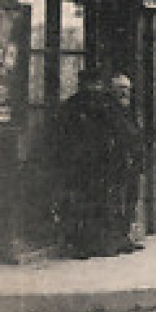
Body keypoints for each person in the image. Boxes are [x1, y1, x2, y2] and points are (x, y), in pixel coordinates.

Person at [52, 69, 111, 258]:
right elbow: (64, 137)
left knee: (97, 203)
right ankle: (79, 244)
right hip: (78, 164)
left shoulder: (102, 106)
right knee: (79, 205)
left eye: (97, 85)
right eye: (91, 84)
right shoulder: (72, 107)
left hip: (98, 163)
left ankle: (95, 242)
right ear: (82, 85)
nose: (95, 88)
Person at [103, 74, 145, 253]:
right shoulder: (108, 110)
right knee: (115, 201)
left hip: (131, 163)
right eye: (120, 88)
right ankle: (114, 239)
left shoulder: (129, 110)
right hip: (115, 163)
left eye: (127, 88)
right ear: (112, 90)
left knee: (129, 201)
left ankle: (124, 236)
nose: (124, 92)